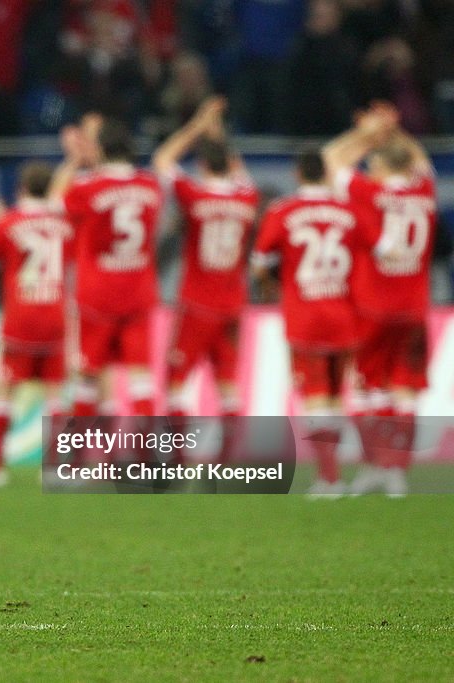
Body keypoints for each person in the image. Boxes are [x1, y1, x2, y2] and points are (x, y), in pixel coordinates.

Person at [323, 102, 436, 496]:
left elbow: (331, 157)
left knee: (372, 388)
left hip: (374, 306)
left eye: (373, 162)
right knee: (404, 391)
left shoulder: (369, 193)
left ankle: (375, 465)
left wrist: (368, 133)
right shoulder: (424, 189)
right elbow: (418, 159)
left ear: (385, 166)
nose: (368, 167)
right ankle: (396, 473)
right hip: (415, 308)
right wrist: (395, 129)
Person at [251, 149, 368, 498]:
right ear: (325, 174)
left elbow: (260, 261)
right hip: (345, 314)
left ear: (299, 173)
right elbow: (376, 251)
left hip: (305, 316)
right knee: (335, 396)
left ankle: (329, 479)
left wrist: (275, 286)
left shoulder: (283, 211)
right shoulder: (349, 211)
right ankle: (344, 473)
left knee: (315, 398)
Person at [152, 96, 259, 461]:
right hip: (232, 304)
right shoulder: (248, 196)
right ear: (230, 164)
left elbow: (163, 160)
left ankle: (179, 458)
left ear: (200, 165)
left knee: (176, 382)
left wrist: (199, 124)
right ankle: (227, 458)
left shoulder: (193, 195)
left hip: (197, 304)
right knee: (228, 384)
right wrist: (218, 134)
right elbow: (236, 168)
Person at [59, 120, 164, 422]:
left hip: (97, 295)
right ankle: (147, 459)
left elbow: (57, 204)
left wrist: (76, 159)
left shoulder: (86, 187)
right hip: (138, 293)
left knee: (89, 378)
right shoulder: (150, 185)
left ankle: (73, 462)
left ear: (101, 149)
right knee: (141, 378)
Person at [0, 161, 74, 487]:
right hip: (54, 317)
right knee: (55, 397)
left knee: (5, 391)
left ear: (21, 187)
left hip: (20, 318)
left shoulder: (9, 222)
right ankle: (53, 469)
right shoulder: (64, 224)